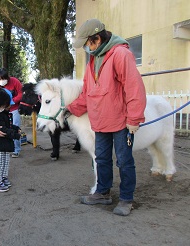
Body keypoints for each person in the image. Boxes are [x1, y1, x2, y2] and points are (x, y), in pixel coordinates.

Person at [68, 19, 146, 216]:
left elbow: (134, 88)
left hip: (120, 121)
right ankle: (103, 193)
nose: (86, 48)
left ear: (97, 38)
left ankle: (127, 198)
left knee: (124, 160)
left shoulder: (121, 54)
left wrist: (134, 118)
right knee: (101, 158)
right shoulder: (93, 60)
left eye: (87, 43)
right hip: (100, 121)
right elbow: (88, 93)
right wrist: (69, 108)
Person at [0, 68, 23, 158]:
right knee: (3, 128)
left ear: (7, 78)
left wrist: (12, 101)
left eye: (3, 78)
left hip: (14, 109)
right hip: (1, 110)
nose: (1, 81)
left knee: (15, 127)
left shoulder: (15, 81)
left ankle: (16, 150)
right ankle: (6, 147)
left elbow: (20, 93)